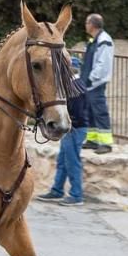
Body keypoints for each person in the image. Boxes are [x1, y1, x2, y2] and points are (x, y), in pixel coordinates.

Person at [37, 76, 90, 205]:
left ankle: (76, 195)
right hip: (75, 129)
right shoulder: (78, 85)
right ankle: (57, 190)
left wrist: (66, 125)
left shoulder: (74, 88)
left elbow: (74, 112)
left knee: (72, 162)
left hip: (74, 129)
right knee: (63, 160)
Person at [79, 13, 115, 154]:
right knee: (89, 111)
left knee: (100, 112)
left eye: (87, 23)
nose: (85, 25)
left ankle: (106, 144)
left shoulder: (104, 40)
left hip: (95, 84)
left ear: (92, 25)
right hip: (88, 83)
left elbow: (103, 64)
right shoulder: (94, 40)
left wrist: (91, 78)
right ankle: (92, 140)